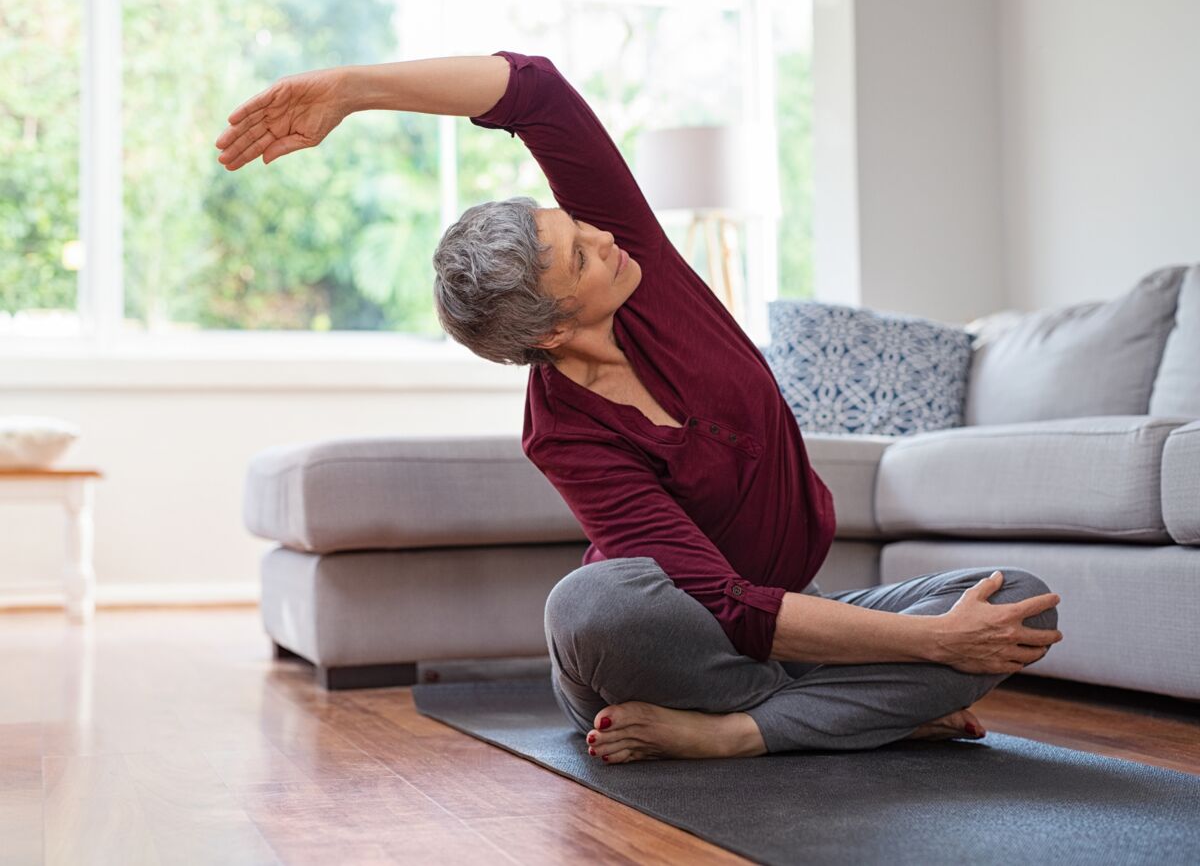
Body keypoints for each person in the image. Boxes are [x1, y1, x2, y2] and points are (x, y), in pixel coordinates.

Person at [215, 50, 1063, 765]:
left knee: (1020, 599)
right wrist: (931, 649)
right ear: (548, 327)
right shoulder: (561, 433)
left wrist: (354, 90)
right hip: (675, 647)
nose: (608, 238)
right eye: (581, 255)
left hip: (771, 639)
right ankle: (847, 712)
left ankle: (744, 730)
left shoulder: (643, 267)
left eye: (584, 228)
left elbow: (535, 90)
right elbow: (724, 605)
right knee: (589, 606)